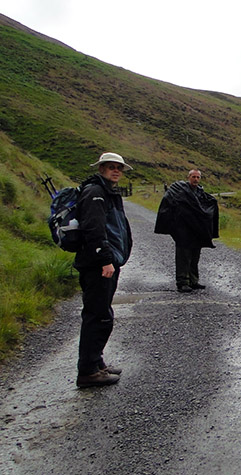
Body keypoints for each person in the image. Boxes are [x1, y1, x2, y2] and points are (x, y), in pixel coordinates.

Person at [75, 152, 133, 388]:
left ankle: (96, 363)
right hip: (98, 265)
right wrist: (105, 260)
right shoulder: (95, 193)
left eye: (118, 167)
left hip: (105, 263)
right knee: (97, 316)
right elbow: (94, 229)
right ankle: (88, 372)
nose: (116, 171)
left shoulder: (106, 191)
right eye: (110, 167)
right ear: (101, 169)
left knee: (101, 313)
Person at [154, 169, 219, 293]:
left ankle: (193, 281)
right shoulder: (178, 190)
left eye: (198, 177)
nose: (195, 179)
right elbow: (169, 204)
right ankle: (182, 282)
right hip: (183, 230)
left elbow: (204, 206)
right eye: (193, 177)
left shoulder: (200, 192)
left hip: (196, 230)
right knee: (183, 256)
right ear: (188, 177)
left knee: (195, 256)